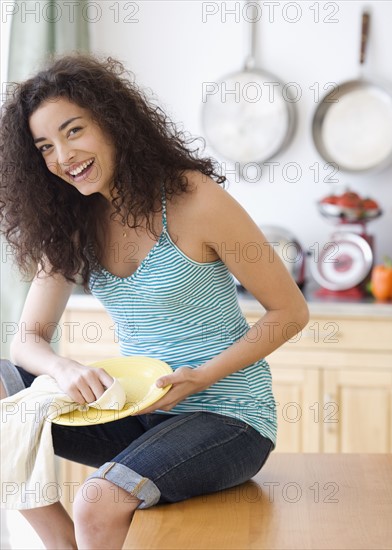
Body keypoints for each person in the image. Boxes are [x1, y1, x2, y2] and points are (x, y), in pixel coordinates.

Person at [0, 53, 309, 550]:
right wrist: (61, 369)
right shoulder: (73, 222)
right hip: (137, 414)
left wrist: (203, 376)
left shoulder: (194, 201)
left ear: (112, 122)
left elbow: (290, 312)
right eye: (45, 147)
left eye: (74, 131)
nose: (62, 156)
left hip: (229, 419)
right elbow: (28, 340)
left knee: (97, 502)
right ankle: (60, 543)